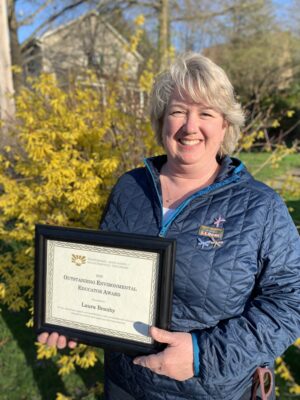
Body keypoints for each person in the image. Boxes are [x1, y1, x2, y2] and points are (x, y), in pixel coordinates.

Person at [38, 52, 300, 400]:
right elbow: (103, 271)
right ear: (162, 122)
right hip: (126, 383)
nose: (190, 127)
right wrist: (71, 317)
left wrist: (202, 354)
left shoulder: (261, 207)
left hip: (209, 390)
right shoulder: (129, 188)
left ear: (225, 126)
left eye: (206, 113)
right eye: (178, 112)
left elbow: (290, 301)